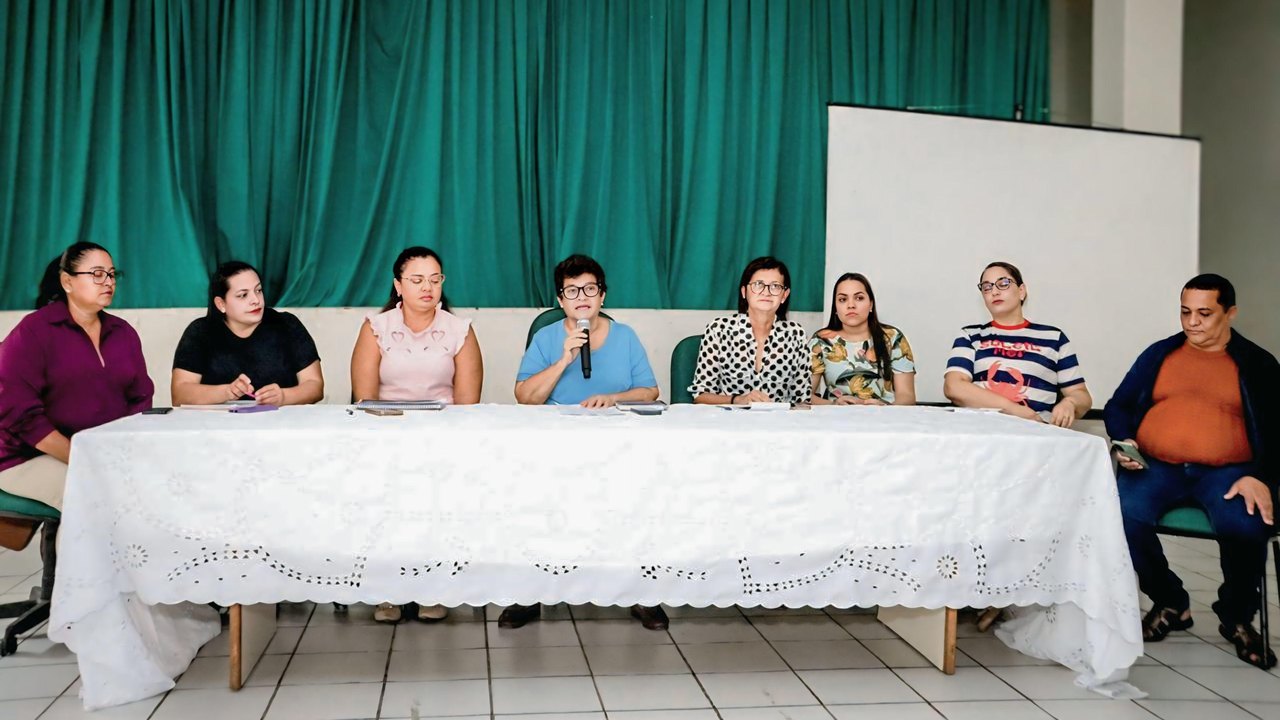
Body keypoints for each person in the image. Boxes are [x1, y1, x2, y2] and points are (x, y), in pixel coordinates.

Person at [1105, 274, 1278, 669]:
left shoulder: (1258, 364)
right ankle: (1170, 601)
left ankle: (1236, 616)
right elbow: (1119, 405)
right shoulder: (1159, 354)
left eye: (1204, 313)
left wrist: (1261, 476)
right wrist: (1125, 440)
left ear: (1230, 313)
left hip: (1229, 473)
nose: (1192, 322)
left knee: (1248, 523)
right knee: (1121, 515)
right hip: (1158, 466)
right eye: (1185, 312)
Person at [507, 254, 664, 630]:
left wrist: (614, 397)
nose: (582, 297)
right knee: (531, 498)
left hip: (617, 444)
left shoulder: (625, 336)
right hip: (557, 445)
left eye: (590, 289)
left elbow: (650, 391)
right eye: (572, 291)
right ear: (560, 299)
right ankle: (531, 592)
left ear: (602, 295)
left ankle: (638, 592)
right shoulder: (547, 338)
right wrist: (564, 359)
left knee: (640, 496)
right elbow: (525, 397)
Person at [350, 246, 483, 623]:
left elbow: (467, 405)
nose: (427, 287)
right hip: (386, 436)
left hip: (441, 438)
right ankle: (386, 591)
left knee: (434, 506)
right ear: (398, 285)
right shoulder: (375, 328)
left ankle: (432, 588)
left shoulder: (460, 330)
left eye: (435, 279)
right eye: (417, 280)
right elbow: (364, 399)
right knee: (386, 505)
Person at [0, 242, 154, 510]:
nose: (108, 282)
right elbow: (21, 416)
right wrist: (85, 458)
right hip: (25, 456)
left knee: (151, 488)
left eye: (112, 274)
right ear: (67, 282)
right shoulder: (34, 331)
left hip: (98, 454)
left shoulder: (123, 333)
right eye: (97, 274)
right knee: (94, 497)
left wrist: (122, 454)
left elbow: (139, 399)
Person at [944, 261, 1091, 427]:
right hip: (981, 429)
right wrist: (1014, 410)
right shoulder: (970, 335)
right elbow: (954, 386)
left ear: (1021, 291)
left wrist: (1070, 403)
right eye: (987, 287)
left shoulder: (1054, 338)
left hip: (1036, 431)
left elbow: (1081, 395)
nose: (994, 291)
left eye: (1003, 284)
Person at [171, 261, 324, 407]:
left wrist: (284, 396)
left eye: (258, 290)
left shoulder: (286, 324)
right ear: (221, 304)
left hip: (282, 422)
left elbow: (315, 385)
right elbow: (179, 394)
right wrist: (226, 392)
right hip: (218, 423)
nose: (255, 300)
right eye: (243, 295)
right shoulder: (200, 332)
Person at [689, 256, 809, 405]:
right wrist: (737, 399)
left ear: (784, 295)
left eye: (775, 286)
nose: (766, 292)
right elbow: (700, 395)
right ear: (744, 292)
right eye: (758, 285)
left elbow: (802, 399)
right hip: (729, 417)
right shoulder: (719, 329)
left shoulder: (796, 334)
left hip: (778, 418)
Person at [809, 273, 916, 406]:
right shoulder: (821, 340)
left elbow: (907, 396)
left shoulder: (893, 338)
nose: (851, 305)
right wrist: (834, 405)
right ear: (835, 307)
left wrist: (886, 410)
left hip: (886, 416)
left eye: (859, 298)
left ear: (871, 304)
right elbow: (804, 395)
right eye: (843, 299)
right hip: (836, 416)